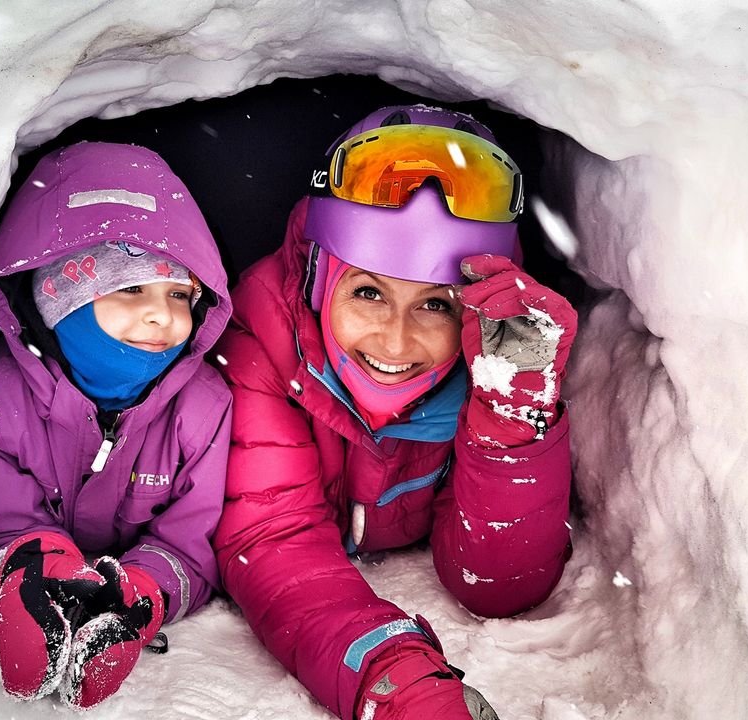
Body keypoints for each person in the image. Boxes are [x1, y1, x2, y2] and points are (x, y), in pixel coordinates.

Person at [213, 105, 578, 720]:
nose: (395, 342)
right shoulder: (264, 339)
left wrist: (509, 419)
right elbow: (273, 539)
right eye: (368, 292)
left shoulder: (478, 371)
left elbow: (496, 585)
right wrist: (391, 677)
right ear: (315, 278)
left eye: (435, 306)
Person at [0, 142, 232, 709]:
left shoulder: (203, 407)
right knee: (32, 570)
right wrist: (41, 569)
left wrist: (142, 592)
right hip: (37, 553)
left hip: (143, 576)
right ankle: (37, 599)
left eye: (180, 294)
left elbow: (192, 541)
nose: (163, 315)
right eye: (131, 288)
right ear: (58, 297)